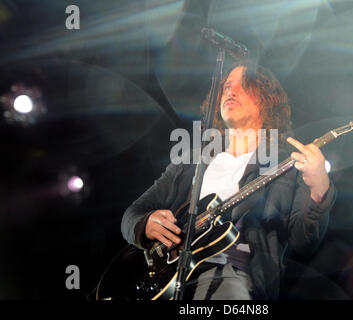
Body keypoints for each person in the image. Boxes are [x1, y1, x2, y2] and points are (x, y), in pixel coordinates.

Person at [121, 61, 337, 300]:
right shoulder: (193, 160)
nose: (230, 91)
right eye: (226, 86)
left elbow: (303, 241)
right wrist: (146, 223)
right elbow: (132, 214)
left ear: (267, 100)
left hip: (234, 274)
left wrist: (319, 188)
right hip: (171, 275)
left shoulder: (287, 165)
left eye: (244, 86)